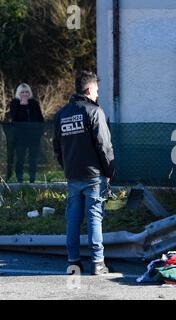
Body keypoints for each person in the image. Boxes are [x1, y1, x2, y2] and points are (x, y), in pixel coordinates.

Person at [53, 71, 115, 275]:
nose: (98, 94)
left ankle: (73, 262)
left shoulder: (62, 114)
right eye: (96, 90)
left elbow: (57, 147)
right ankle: (98, 263)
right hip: (93, 175)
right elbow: (104, 146)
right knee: (94, 217)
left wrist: (68, 167)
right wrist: (109, 171)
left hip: (73, 175)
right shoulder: (94, 111)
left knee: (73, 218)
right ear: (89, 90)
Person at [8, 83, 44, 183]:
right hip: (20, 137)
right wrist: (22, 105)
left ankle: (32, 179)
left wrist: (39, 132)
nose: (25, 94)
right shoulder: (14, 103)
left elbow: (40, 119)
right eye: (22, 92)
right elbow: (14, 118)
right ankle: (20, 179)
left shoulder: (34, 103)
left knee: (33, 158)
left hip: (33, 136)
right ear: (18, 93)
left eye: (27, 92)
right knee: (20, 158)